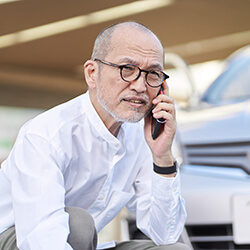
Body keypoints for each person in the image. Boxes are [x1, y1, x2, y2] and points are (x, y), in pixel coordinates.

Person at [0, 21, 189, 250]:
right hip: (19, 241)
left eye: (153, 74)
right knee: (77, 225)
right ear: (92, 74)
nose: (140, 86)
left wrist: (163, 158)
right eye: (127, 69)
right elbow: (43, 240)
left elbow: (166, 235)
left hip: (83, 245)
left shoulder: (142, 137)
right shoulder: (44, 136)